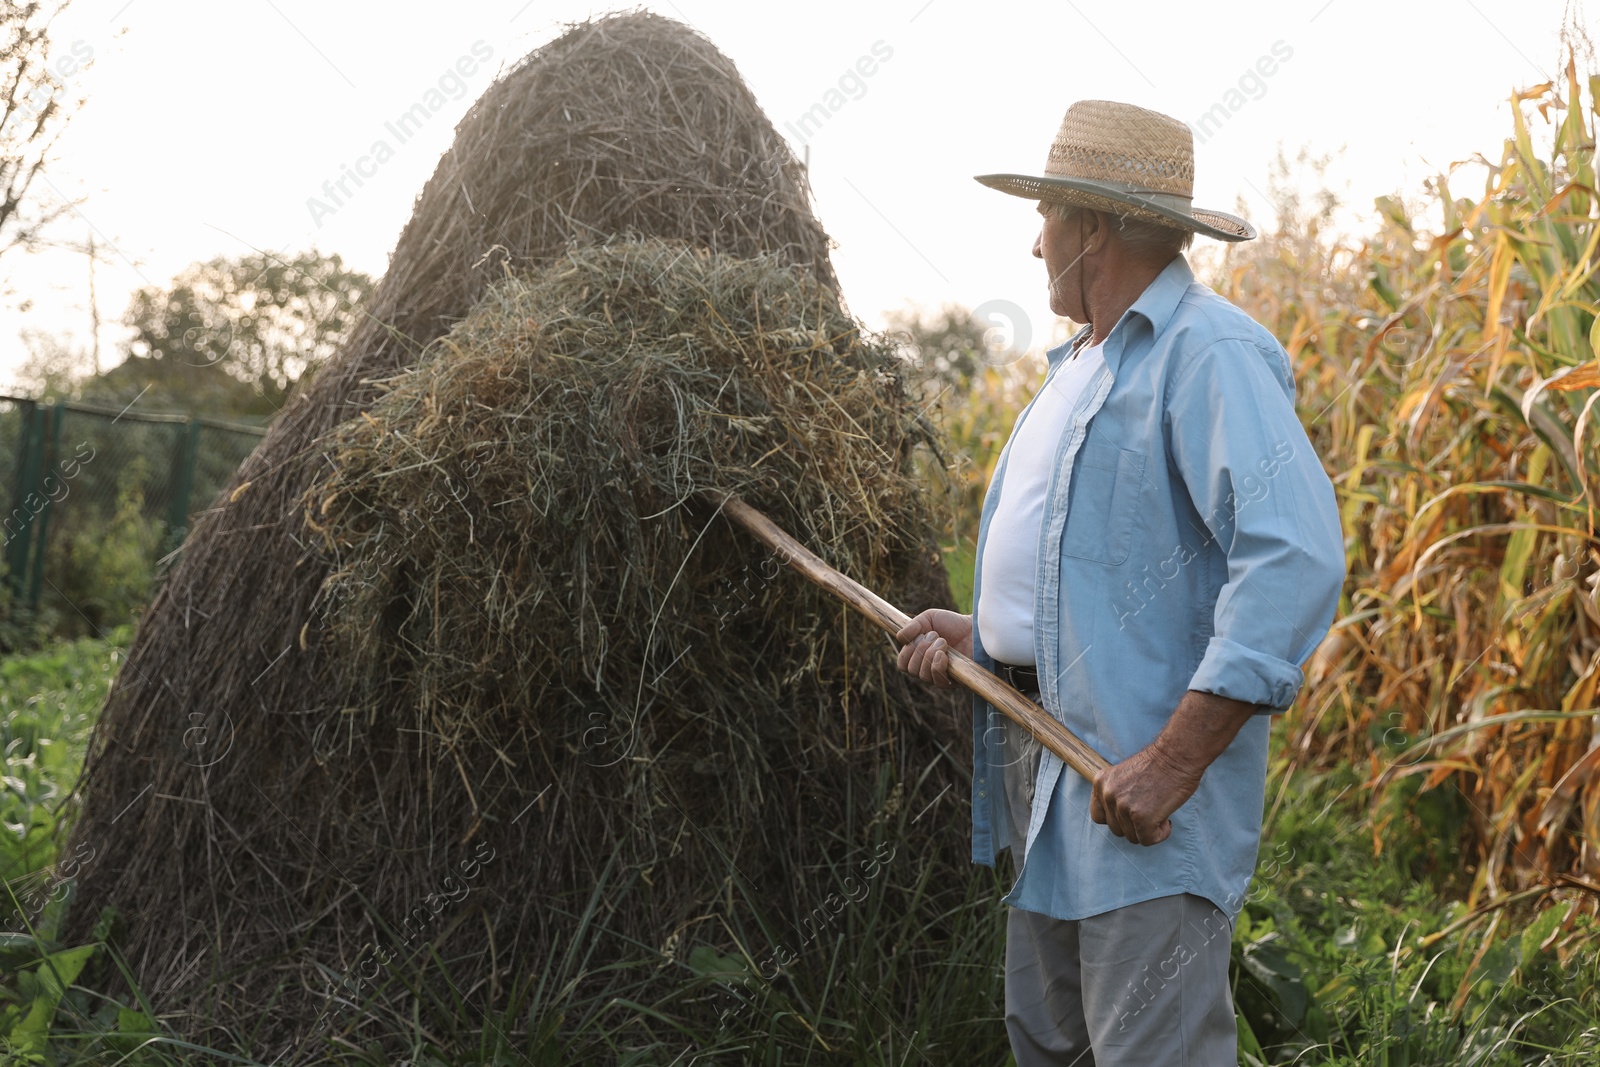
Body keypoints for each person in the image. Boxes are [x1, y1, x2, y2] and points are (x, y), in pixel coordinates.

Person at [895, 99, 1346, 1066]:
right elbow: (1099, 567)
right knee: (1049, 1044)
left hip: (1143, 811)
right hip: (1048, 793)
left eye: (1048, 218)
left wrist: (1175, 761)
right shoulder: (1082, 365)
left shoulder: (1208, 354)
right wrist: (993, 635)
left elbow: (1295, 554)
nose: (1034, 246)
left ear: (1092, 225)